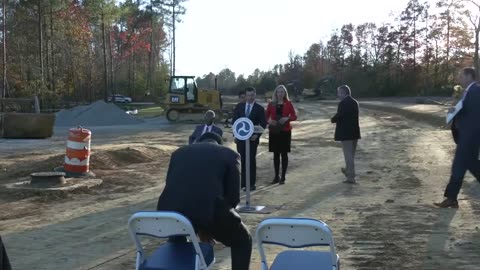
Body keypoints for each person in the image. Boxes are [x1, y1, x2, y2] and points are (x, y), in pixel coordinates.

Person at [156, 132, 252, 270]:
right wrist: (207, 225)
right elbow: (233, 198)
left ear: (198, 141)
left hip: (171, 213)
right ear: (219, 143)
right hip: (211, 211)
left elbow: (172, 185)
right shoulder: (229, 154)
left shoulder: (178, 153)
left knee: (178, 239)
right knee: (243, 241)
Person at [435, 67, 480, 208]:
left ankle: (451, 198)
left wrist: (456, 112)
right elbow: (466, 110)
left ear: (469, 76)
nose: (459, 78)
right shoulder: (469, 91)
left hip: (470, 135)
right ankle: (452, 198)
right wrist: (454, 111)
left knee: (459, 165)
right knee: (470, 165)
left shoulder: (476, 91)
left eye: (461, 75)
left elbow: (473, 114)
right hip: (468, 135)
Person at [233, 87, 267, 191]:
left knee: (251, 160)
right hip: (241, 139)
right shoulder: (239, 107)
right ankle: (243, 183)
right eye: (248, 95)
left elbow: (263, 123)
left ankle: (251, 184)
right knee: (242, 160)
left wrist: (257, 135)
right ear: (246, 96)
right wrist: (235, 135)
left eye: (252, 95)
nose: (250, 97)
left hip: (252, 140)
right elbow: (235, 122)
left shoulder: (260, 109)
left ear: (255, 95)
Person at [265, 85, 297, 184]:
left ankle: (283, 177)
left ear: (285, 93)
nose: (280, 94)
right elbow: (265, 117)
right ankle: (276, 176)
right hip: (274, 132)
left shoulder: (288, 103)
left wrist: (287, 118)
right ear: (276, 93)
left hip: (285, 131)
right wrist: (269, 121)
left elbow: (294, 116)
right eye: (278, 92)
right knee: (275, 154)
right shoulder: (271, 104)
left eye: (282, 92)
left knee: (284, 154)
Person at [331, 85, 361, 184]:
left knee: (348, 156)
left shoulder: (343, 103)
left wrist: (333, 119)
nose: (338, 95)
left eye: (339, 93)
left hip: (345, 133)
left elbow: (340, 115)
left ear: (344, 93)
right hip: (354, 132)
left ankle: (351, 177)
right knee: (351, 155)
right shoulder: (355, 102)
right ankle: (348, 171)